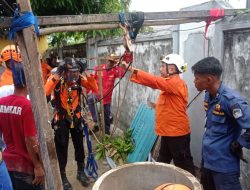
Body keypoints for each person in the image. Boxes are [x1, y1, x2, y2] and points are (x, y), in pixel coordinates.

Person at [121, 54, 196, 176]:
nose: (160, 69)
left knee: (184, 165)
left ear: (171, 69)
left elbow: (154, 81)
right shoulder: (170, 83)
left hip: (177, 134)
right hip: (168, 132)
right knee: (163, 161)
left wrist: (131, 69)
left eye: (162, 66)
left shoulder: (176, 83)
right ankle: (160, 182)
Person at [191, 57, 250, 190]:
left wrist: (239, 143)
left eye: (197, 78)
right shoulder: (208, 95)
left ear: (209, 79)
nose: (194, 82)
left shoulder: (231, 100)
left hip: (224, 167)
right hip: (207, 161)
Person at [45, 57, 98, 190]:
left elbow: (94, 87)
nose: (74, 76)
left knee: (80, 145)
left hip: (77, 116)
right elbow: (45, 91)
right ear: (64, 72)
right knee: (61, 148)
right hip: (62, 118)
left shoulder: (79, 78)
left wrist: (85, 71)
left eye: (76, 72)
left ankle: (81, 171)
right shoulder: (56, 78)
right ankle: (63, 176)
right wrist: (57, 74)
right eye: (71, 73)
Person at [0, 62, 45, 190]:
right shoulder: (27, 106)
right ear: (28, 81)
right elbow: (30, 140)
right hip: (25, 167)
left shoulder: (1, 102)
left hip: (7, 164)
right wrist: (38, 166)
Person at [87, 54, 125, 135]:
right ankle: (96, 119)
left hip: (107, 97)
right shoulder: (98, 68)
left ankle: (107, 131)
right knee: (90, 99)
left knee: (106, 115)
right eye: (109, 61)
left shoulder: (115, 70)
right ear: (106, 60)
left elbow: (122, 74)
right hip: (97, 93)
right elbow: (92, 80)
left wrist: (118, 64)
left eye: (112, 62)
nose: (110, 63)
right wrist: (88, 91)